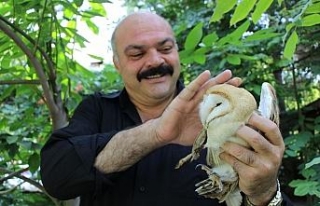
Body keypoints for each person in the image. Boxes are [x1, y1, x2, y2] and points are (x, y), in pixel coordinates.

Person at [40, 11, 293, 206]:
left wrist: (264, 192)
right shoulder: (97, 109)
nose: (155, 60)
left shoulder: (222, 111)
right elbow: (56, 177)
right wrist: (156, 133)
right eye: (137, 54)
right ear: (117, 63)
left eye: (165, 48)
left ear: (177, 53)